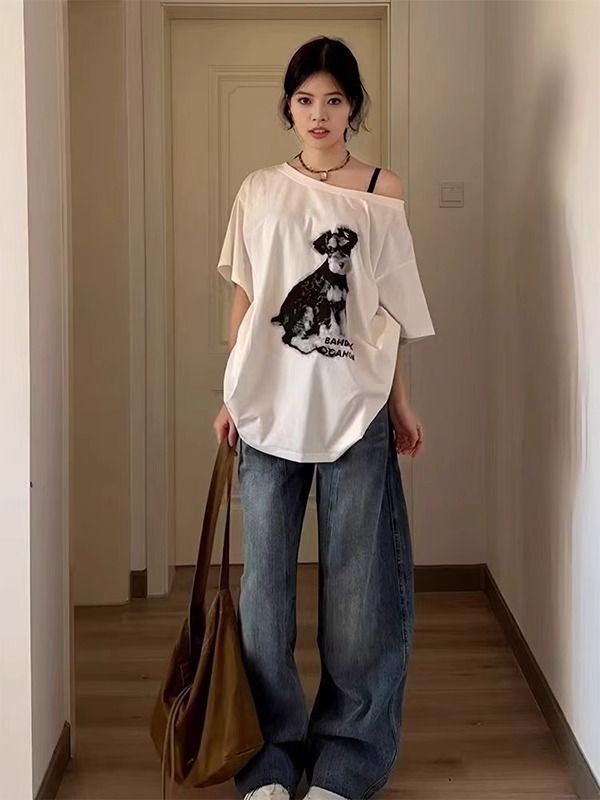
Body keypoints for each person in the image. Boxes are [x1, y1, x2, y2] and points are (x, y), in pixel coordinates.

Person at [212, 35, 435, 800]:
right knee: (265, 593)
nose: (319, 113)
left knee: (357, 595)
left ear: (353, 107)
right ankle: (268, 758)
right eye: (305, 99)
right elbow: (246, 299)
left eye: (334, 99)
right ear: (288, 106)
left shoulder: (383, 190)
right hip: (268, 407)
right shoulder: (258, 191)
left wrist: (399, 403)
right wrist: (230, 393)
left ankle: (346, 760)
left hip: (354, 409)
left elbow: (388, 310)